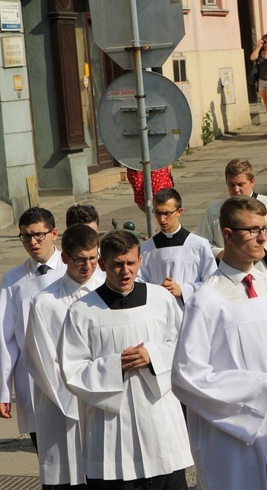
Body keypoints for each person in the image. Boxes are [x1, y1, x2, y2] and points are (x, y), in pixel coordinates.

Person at [171, 196, 267, 489]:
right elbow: (187, 377)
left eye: (264, 229)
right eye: (252, 230)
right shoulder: (207, 301)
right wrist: (261, 390)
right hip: (233, 434)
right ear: (227, 235)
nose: (262, 238)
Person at [59, 229, 192, 488]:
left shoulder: (161, 299)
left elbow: (184, 345)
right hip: (110, 428)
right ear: (103, 264)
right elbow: (71, 369)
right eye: (117, 264)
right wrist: (114, 366)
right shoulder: (82, 311)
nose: (125, 271)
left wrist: (152, 355)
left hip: (160, 423)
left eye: (131, 263)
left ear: (140, 261)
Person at [23, 224, 104, 488]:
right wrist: (79, 402)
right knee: (68, 475)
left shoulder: (109, 292)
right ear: (65, 258)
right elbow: (43, 363)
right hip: (64, 406)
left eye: (93, 258)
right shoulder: (45, 303)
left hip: (106, 400)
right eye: (80, 259)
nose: (88, 266)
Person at [0, 207, 64, 449]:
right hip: (32, 379)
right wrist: (3, 391)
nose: (32, 242)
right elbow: (5, 340)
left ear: (54, 233)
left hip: (70, 372)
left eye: (39, 235)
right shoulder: (14, 280)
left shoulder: (75, 269)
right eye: (26, 236)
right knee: (47, 456)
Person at [196, 158, 267, 285]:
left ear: (252, 182)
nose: (236, 190)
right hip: (229, 276)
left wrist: (261, 250)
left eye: (241, 184)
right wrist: (220, 253)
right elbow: (201, 244)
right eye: (231, 185)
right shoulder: (215, 210)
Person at [139, 188, 215, 306]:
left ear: (179, 211)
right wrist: (158, 290)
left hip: (191, 313)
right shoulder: (146, 249)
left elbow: (212, 284)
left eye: (166, 213)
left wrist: (183, 290)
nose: (161, 219)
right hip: (160, 313)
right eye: (158, 213)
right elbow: (139, 283)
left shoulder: (199, 245)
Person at [249, 33, 267, 137]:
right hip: (261, 81)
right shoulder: (261, 51)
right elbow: (252, 58)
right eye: (264, 42)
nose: (266, 44)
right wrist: (258, 47)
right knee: (266, 104)